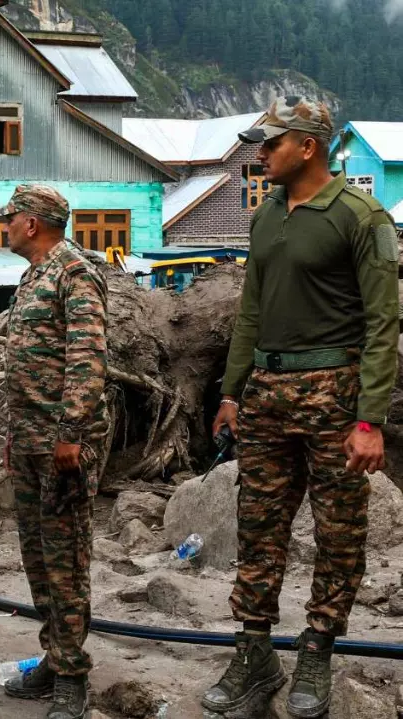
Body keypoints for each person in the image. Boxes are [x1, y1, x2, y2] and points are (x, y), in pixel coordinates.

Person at [204, 96, 399, 718]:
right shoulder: (265, 217)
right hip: (266, 393)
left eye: (270, 144)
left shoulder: (361, 217)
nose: (260, 154)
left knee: (339, 532)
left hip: (334, 396)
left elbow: (383, 322)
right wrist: (232, 391)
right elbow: (251, 312)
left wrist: (370, 420)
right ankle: (254, 649)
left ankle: (317, 646)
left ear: (307, 147)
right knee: (258, 527)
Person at [0, 185, 107, 719]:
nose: (5, 226)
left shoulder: (74, 272)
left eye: (10, 219)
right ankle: (53, 654)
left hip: (62, 443)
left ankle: (70, 677)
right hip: (31, 440)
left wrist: (71, 432)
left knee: (64, 560)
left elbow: (86, 358)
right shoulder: (35, 274)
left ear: (34, 223)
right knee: (37, 558)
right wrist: (17, 435)